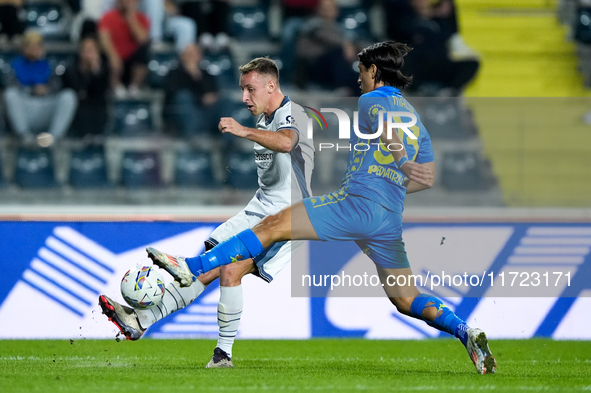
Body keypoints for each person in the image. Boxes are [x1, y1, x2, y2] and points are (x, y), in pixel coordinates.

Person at [145, 41, 497, 375]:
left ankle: (190, 266)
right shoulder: (416, 120)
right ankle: (465, 331)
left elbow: (389, 135)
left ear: (374, 70)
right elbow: (429, 178)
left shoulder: (372, 99)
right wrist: (396, 180)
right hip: (388, 217)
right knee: (406, 298)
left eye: (361, 71)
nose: (358, 79)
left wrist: (400, 162)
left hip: (356, 203)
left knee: (273, 225)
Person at [99, 57, 315, 368]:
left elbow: (286, 142)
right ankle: (142, 320)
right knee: (206, 264)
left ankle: (222, 354)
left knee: (228, 269)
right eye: (242, 90)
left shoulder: (293, 115)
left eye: (250, 89)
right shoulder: (265, 118)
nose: (244, 97)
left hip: (287, 218)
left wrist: (242, 131)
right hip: (260, 207)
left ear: (271, 85)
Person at [3, 31, 77, 146]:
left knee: (69, 96)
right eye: (30, 46)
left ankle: (52, 138)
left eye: (37, 46)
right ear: (24, 48)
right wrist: (32, 90)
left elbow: (57, 87)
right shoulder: (15, 66)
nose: (34, 49)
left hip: (45, 106)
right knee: (10, 94)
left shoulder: (48, 66)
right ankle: (25, 136)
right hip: (25, 107)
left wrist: (46, 89)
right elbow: (10, 85)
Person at [294, 0, 360, 94]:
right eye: (324, 9)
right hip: (313, 68)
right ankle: (341, 86)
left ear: (336, 11)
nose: (327, 12)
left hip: (334, 70)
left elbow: (356, 42)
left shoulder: (339, 28)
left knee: (358, 79)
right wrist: (346, 44)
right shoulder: (312, 25)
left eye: (330, 9)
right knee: (337, 53)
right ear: (318, 10)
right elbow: (325, 36)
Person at [163, 43, 219, 137]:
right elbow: (173, 93)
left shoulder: (206, 74)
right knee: (184, 97)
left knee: (225, 102)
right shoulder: (174, 73)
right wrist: (191, 75)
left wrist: (197, 77)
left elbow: (213, 92)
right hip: (181, 116)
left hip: (204, 113)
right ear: (182, 56)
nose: (192, 57)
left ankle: (229, 142)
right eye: (189, 54)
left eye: (195, 54)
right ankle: (193, 137)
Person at [98, 0, 150, 97]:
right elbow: (104, 39)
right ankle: (116, 86)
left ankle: (134, 87)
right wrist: (113, 55)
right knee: (108, 58)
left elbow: (142, 39)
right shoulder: (108, 17)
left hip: (132, 59)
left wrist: (130, 18)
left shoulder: (142, 18)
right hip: (115, 58)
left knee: (144, 53)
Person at [61, 36, 110, 138]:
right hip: (78, 106)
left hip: (97, 106)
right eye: (86, 50)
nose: (89, 53)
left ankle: (97, 136)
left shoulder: (103, 70)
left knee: (99, 106)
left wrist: (95, 71)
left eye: (92, 50)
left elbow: (101, 90)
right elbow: (75, 90)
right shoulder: (71, 69)